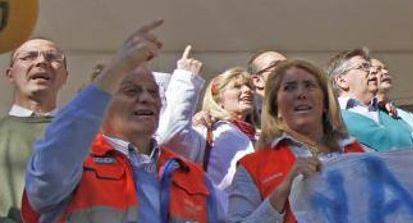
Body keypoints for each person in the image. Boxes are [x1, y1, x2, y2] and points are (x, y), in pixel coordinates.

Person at [23, 21, 221, 222]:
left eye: (153, 91)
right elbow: (62, 143)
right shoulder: (76, 164)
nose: (146, 98)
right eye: (131, 90)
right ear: (101, 104)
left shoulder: (192, 176)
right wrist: (116, 69)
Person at [230, 59, 364, 222]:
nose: (301, 94)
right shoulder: (252, 166)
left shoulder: (359, 154)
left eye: (309, 85)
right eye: (289, 88)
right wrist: (283, 190)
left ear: (325, 103)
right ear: (276, 108)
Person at [161, 67, 257, 207]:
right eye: (237, 86)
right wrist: (186, 80)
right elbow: (171, 137)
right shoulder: (209, 132)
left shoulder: (260, 136)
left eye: (249, 86)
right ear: (218, 99)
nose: (248, 90)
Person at [0, 38, 68, 222]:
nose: (41, 62)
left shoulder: (87, 138)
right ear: (10, 74)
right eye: (28, 57)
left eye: (53, 57)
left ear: (65, 76)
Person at [328, 49, 413, 152]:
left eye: (370, 67)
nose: (374, 71)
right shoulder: (330, 118)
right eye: (363, 67)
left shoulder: (393, 114)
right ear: (342, 80)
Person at [247, 50, 287, 129]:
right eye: (277, 66)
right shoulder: (249, 112)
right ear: (257, 81)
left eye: (289, 66)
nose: (287, 70)